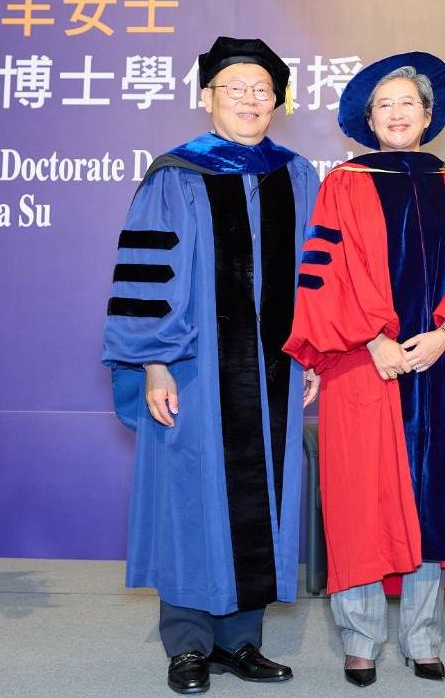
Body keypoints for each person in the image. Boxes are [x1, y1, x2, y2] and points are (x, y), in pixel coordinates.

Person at [102, 36, 319, 695]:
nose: (250, 101)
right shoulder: (175, 174)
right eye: (235, 89)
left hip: (275, 371)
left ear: (277, 102)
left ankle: (241, 642)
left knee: (264, 499)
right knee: (191, 500)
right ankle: (190, 646)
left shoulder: (296, 175)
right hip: (195, 370)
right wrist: (155, 362)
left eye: (262, 91)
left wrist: (311, 353)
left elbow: (315, 276)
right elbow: (148, 277)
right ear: (207, 98)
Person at [284, 52, 445, 687]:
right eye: (386, 105)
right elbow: (326, 272)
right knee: (360, 501)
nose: (398, 113)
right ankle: (360, 637)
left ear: (429, 117)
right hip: (362, 365)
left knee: (433, 500)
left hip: (436, 361)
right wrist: (371, 338)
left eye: (409, 103)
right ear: (369, 120)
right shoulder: (344, 185)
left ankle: (423, 636)